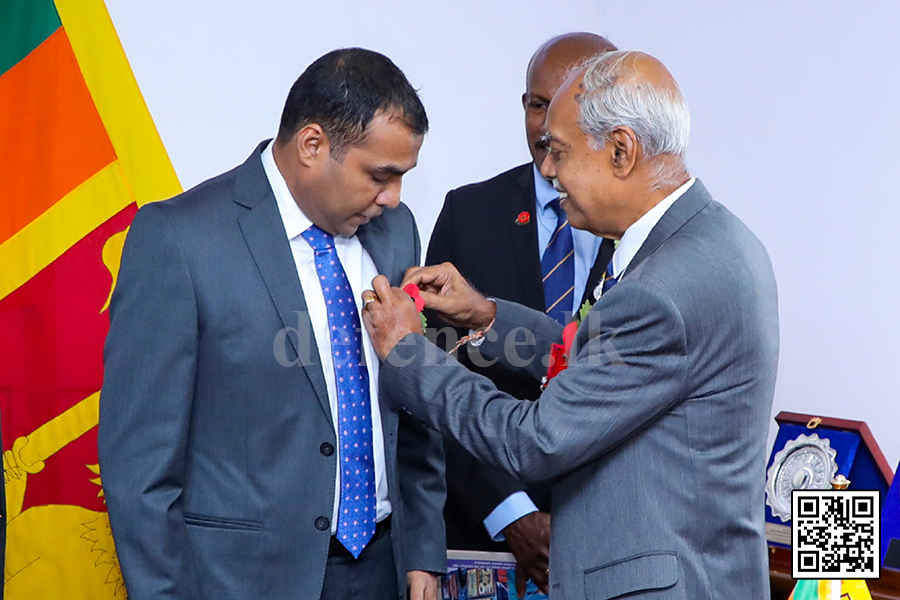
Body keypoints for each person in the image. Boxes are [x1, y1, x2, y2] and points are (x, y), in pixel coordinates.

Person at [362, 50, 779, 599]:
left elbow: (534, 440)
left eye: (558, 151)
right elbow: (606, 357)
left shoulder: (662, 290)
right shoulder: (718, 239)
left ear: (621, 151)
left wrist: (407, 353)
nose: (548, 170)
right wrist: (487, 315)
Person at [98, 48, 445, 600]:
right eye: (381, 175)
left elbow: (411, 402)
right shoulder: (179, 240)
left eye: (403, 177)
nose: (394, 197)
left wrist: (424, 548)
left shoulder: (396, 232)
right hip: (239, 581)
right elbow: (139, 468)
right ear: (312, 146)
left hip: (383, 568)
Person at [425, 33, 617, 595]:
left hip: (607, 542)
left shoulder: (643, 233)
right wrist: (511, 513)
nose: (544, 127)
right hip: (481, 543)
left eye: (562, 107)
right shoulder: (470, 212)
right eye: (536, 105)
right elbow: (432, 378)